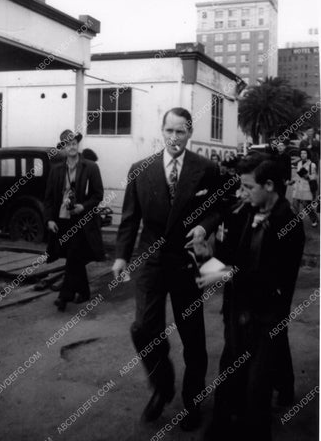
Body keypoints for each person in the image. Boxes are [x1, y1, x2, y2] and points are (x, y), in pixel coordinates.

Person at [112, 107, 222, 431]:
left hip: (186, 262)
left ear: (190, 134)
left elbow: (218, 207)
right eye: (170, 131)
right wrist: (121, 256)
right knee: (144, 328)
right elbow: (130, 220)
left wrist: (204, 226)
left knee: (193, 338)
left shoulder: (206, 169)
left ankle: (192, 400)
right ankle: (162, 386)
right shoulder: (140, 170)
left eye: (181, 132)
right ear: (162, 131)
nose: (175, 138)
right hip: (151, 260)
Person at [197, 154, 305, 441]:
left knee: (256, 393)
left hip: (266, 319)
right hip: (236, 315)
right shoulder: (244, 212)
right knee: (229, 384)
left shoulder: (288, 224)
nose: (240, 193)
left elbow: (274, 280)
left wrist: (229, 275)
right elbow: (228, 255)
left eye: (246, 186)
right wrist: (205, 259)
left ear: (269, 185)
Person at [44, 129, 105, 311]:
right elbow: (47, 199)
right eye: (67, 143)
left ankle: (64, 296)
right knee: (75, 256)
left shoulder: (90, 167)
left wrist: (83, 207)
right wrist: (49, 220)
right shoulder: (56, 171)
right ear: (63, 147)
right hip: (62, 221)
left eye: (74, 143)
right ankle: (84, 291)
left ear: (77, 145)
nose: (71, 146)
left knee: (73, 255)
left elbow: (98, 195)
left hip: (82, 221)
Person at [292, 148, 318, 227]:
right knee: (295, 205)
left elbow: (314, 177)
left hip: (306, 188)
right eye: (301, 153)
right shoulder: (299, 163)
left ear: (308, 155)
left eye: (305, 153)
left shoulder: (312, 165)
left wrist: (307, 177)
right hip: (298, 188)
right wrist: (292, 181)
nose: (302, 155)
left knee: (307, 206)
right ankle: (296, 223)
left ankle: (314, 219)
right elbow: (298, 175)